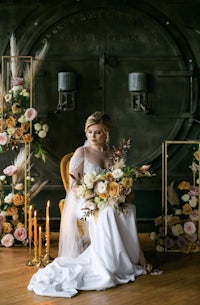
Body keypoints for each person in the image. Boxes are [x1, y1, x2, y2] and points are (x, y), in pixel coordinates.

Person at [27, 111, 155, 298]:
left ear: (106, 134)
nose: (93, 137)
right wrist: (94, 193)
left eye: (98, 133)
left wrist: (122, 190)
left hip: (106, 199)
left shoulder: (113, 154)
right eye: (90, 132)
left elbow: (119, 180)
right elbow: (74, 186)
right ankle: (108, 263)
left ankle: (134, 258)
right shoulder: (82, 152)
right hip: (84, 201)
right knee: (108, 213)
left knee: (128, 209)